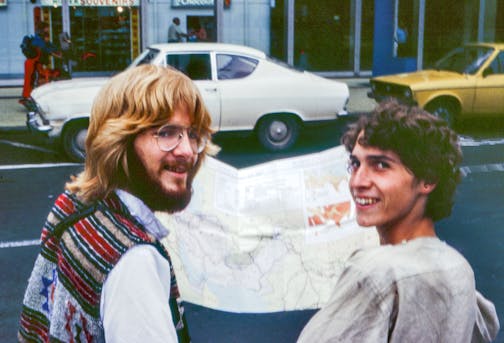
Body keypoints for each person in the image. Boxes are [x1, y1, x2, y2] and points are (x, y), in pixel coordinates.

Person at [18, 64, 216, 342]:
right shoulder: (133, 262)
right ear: (120, 141)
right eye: (167, 133)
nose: (187, 151)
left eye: (192, 134)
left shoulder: (75, 204)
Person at [297, 99, 500, 342]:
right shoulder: (458, 267)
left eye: (381, 165)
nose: (357, 181)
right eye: (355, 164)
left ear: (428, 179)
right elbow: (487, 327)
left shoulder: (377, 270)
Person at [20, 22, 61, 108]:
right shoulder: (38, 39)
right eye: (46, 28)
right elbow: (46, 48)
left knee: (35, 79)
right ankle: (26, 97)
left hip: (35, 62)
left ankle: (30, 97)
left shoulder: (41, 38)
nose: (48, 29)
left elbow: (50, 46)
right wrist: (56, 54)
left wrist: (58, 51)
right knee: (30, 80)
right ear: (43, 29)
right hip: (31, 63)